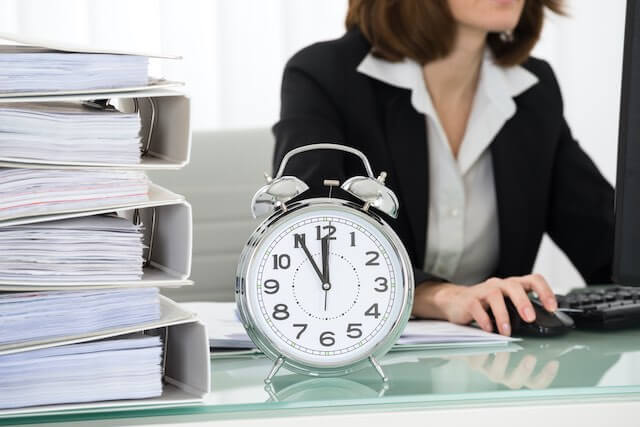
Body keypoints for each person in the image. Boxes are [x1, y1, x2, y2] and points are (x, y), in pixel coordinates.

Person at [272, 0, 614, 336]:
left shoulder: (531, 88)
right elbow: (309, 243)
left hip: (499, 369)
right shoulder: (325, 75)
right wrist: (437, 296)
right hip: (361, 361)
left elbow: (603, 239)